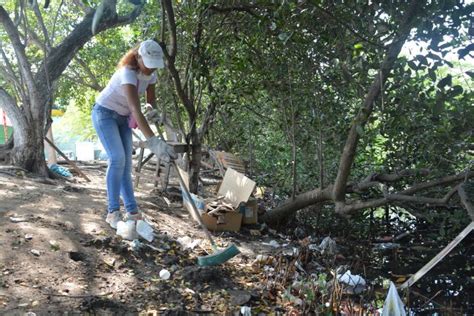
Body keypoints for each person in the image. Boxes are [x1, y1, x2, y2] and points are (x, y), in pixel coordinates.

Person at [91, 39, 177, 229]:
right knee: (117, 158)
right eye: (148, 65)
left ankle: (132, 211)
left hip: (123, 119)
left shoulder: (151, 75)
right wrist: (154, 142)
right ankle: (113, 212)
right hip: (104, 114)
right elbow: (135, 109)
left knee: (126, 164)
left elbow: (148, 102)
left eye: (154, 66)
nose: (150, 70)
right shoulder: (127, 73)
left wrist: (152, 109)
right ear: (138, 57)